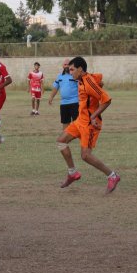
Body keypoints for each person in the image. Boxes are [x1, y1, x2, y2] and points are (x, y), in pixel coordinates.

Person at [57, 56, 121, 194]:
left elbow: (106, 100)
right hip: (80, 120)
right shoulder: (82, 79)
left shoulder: (88, 83)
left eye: (72, 70)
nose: (70, 72)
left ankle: (112, 176)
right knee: (61, 141)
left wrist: (93, 116)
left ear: (80, 69)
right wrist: (100, 84)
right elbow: (98, 79)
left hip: (90, 124)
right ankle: (72, 173)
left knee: (85, 156)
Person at [48, 58, 80, 128]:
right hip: (63, 104)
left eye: (68, 64)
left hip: (74, 103)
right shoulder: (59, 76)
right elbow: (55, 88)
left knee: (77, 123)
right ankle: (66, 135)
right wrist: (51, 97)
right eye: (65, 64)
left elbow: (80, 87)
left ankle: (79, 135)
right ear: (63, 66)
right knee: (65, 123)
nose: (67, 66)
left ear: (71, 66)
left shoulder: (75, 75)